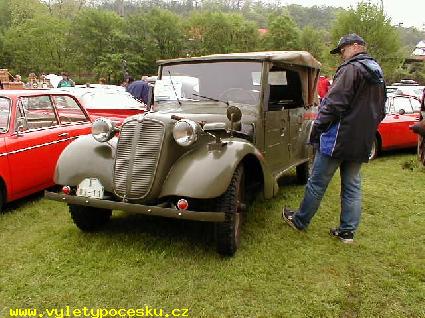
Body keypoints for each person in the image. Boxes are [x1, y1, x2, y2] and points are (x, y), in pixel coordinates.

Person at [281, 34, 386, 243]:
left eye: (343, 50)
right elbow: (381, 110)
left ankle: (300, 220)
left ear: (356, 46)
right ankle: (347, 231)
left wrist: (318, 127)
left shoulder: (351, 69)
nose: (341, 55)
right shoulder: (377, 71)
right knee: (352, 185)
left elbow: (334, 104)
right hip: (361, 140)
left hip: (338, 138)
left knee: (317, 182)